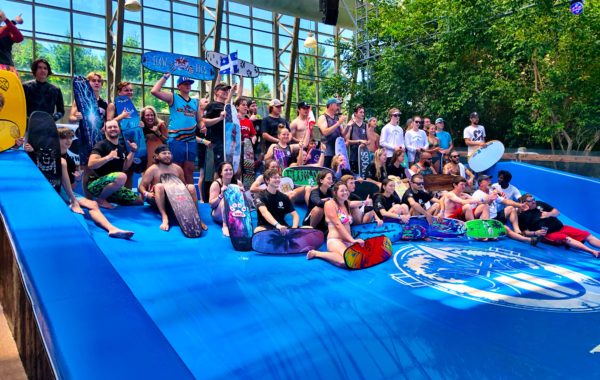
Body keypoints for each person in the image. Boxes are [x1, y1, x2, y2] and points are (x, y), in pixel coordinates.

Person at [24, 127, 134, 239]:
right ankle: (73, 201)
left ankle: (112, 229)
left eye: (70, 138)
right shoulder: (46, 153)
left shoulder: (71, 162)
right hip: (46, 188)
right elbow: (32, 163)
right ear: (56, 139)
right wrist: (29, 151)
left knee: (93, 204)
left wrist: (76, 180)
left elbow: (71, 187)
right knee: (61, 162)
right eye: (64, 138)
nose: (68, 141)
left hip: (63, 191)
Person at [138, 144, 207, 232]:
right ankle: (164, 217)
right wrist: (147, 194)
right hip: (156, 199)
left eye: (169, 153)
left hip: (175, 201)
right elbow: (141, 187)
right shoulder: (152, 169)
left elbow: (183, 185)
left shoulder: (177, 168)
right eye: (164, 153)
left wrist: (187, 189)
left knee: (191, 187)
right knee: (159, 186)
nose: (167, 155)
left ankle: (197, 217)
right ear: (157, 156)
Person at [150, 74, 203, 184]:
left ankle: (189, 194)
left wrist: (202, 126)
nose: (188, 85)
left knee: (189, 169)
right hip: (176, 139)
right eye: (185, 84)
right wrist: (165, 77)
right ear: (179, 86)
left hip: (191, 140)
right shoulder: (173, 97)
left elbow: (199, 120)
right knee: (176, 168)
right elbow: (154, 91)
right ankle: (175, 195)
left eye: (189, 83)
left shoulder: (195, 102)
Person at [518, 194, 600, 257]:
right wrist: (536, 233)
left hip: (562, 227)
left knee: (587, 235)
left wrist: (549, 214)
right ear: (525, 203)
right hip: (549, 234)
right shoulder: (523, 215)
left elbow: (557, 212)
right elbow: (524, 231)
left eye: (534, 199)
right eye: (530, 201)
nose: (534, 201)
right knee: (567, 239)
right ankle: (592, 251)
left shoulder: (540, 204)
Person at [86, 120, 143, 209]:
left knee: (138, 201)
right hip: (96, 184)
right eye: (109, 127)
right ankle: (100, 200)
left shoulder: (121, 147)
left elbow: (125, 166)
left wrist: (132, 151)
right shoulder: (101, 145)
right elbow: (91, 164)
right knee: (121, 176)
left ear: (119, 130)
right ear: (105, 130)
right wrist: (108, 157)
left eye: (115, 127)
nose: (113, 129)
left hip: (114, 186)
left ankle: (109, 197)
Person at [307, 182, 364, 267]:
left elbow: (356, 203)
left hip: (347, 241)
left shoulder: (346, 203)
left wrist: (365, 202)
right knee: (345, 262)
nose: (345, 192)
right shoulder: (330, 204)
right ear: (335, 193)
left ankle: (338, 254)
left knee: (360, 260)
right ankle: (317, 253)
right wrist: (352, 240)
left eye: (346, 190)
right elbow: (337, 224)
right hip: (335, 240)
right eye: (342, 191)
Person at [471, 175, 538, 245]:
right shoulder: (477, 194)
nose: (489, 182)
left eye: (489, 180)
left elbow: (506, 201)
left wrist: (520, 205)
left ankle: (518, 231)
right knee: (507, 229)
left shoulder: (492, 192)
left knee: (511, 208)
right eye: (487, 180)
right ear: (480, 184)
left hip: (495, 217)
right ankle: (529, 240)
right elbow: (475, 211)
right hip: (484, 220)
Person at [254, 168, 301, 233]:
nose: (278, 180)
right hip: (267, 228)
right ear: (267, 180)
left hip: (282, 228)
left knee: (309, 228)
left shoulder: (284, 197)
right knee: (258, 230)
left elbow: (295, 215)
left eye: (279, 177)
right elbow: (264, 213)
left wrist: (294, 228)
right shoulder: (259, 195)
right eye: (275, 178)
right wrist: (277, 225)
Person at [208, 162, 243, 236]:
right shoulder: (216, 184)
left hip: (233, 213)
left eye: (230, 170)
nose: (229, 172)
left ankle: (238, 220)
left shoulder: (238, 183)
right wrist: (221, 195)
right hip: (218, 214)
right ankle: (225, 226)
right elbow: (212, 205)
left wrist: (242, 194)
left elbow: (244, 203)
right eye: (226, 170)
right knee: (225, 199)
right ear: (221, 173)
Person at [318, 98, 347, 168]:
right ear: (330, 105)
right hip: (327, 151)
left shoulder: (337, 118)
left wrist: (349, 125)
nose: (338, 107)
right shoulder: (323, 117)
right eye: (337, 105)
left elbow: (343, 133)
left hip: (337, 152)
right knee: (327, 172)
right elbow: (325, 132)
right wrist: (338, 123)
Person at [139, 105, 168, 170]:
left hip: (158, 151)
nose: (150, 117)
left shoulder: (160, 124)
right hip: (144, 153)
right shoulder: (140, 125)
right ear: (143, 117)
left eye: (152, 115)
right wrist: (141, 130)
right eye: (147, 115)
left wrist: (158, 133)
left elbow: (166, 140)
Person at [344, 105, 368, 173]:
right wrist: (359, 141)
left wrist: (365, 143)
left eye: (363, 112)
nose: (363, 114)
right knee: (354, 176)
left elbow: (369, 141)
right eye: (360, 112)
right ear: (355, 114)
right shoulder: (351, 125)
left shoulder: (365, 125)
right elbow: (347, 141)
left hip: (363, 156)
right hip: (353, 156)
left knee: (363, 177)